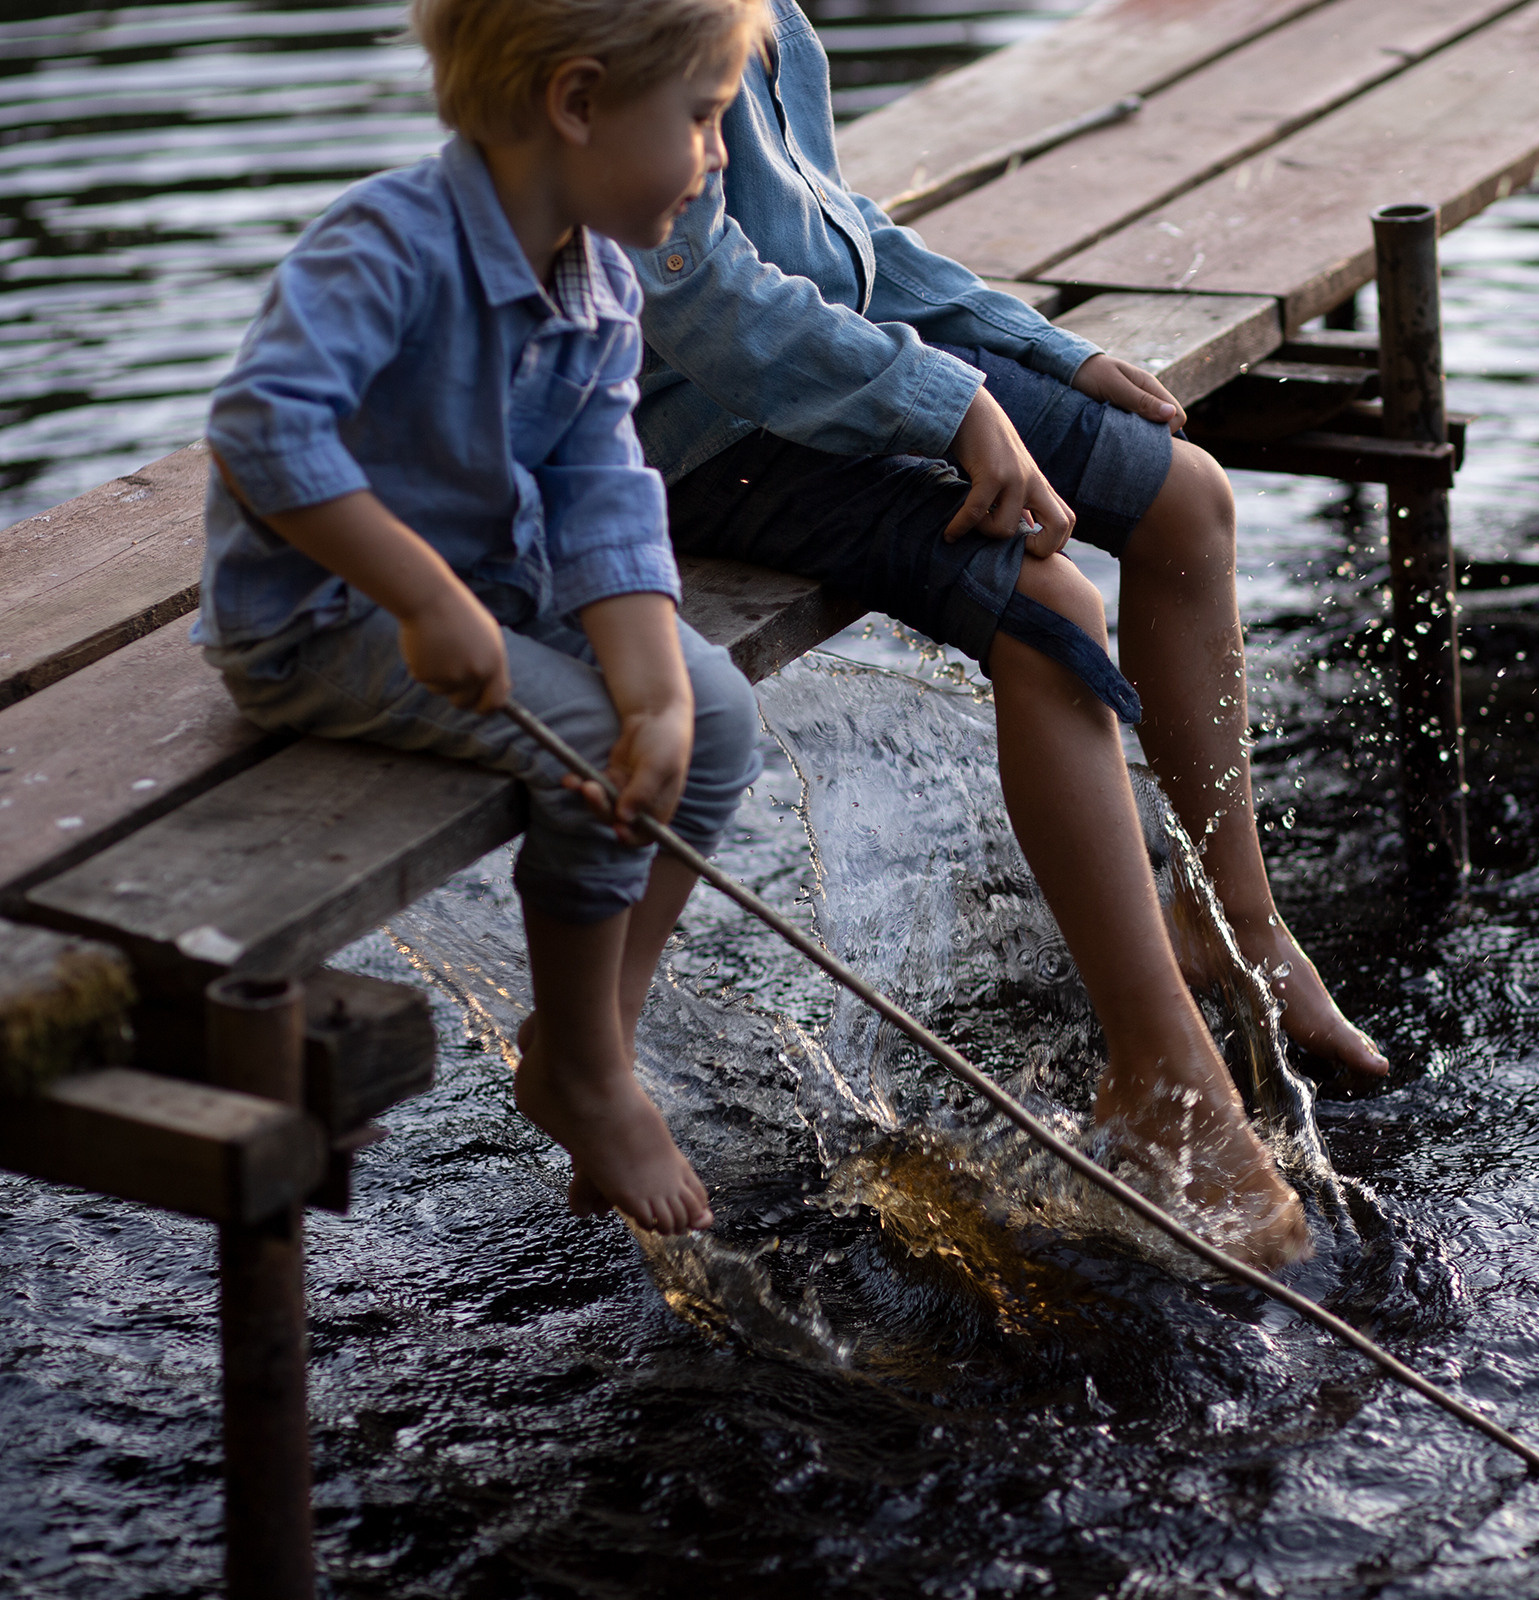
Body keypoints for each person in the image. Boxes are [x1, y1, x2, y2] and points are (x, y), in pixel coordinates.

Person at [630, 0, 1390, 1271]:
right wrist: (944, 402)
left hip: (844, 368)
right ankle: (1159, 1073)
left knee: (1188, 498)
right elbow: (702, 302)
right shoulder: (645, 27)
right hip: (710, 438)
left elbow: (845, 233)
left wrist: (1030, 349)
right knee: (1050, 603)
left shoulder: (777, 21)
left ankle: (1234, 919)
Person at [196, 0, 775, 1237]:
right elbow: (261, 427)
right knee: (591, 765)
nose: (718, 153)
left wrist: (658, 691)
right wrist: (424, 595)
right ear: (576, 105)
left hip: (484, 588)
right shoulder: (386, 245)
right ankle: (590, 1071)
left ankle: (589, 1043)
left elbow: (598, 486)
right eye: (703, 118)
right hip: (324, 619)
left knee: (708, 728)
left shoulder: (597, 271)